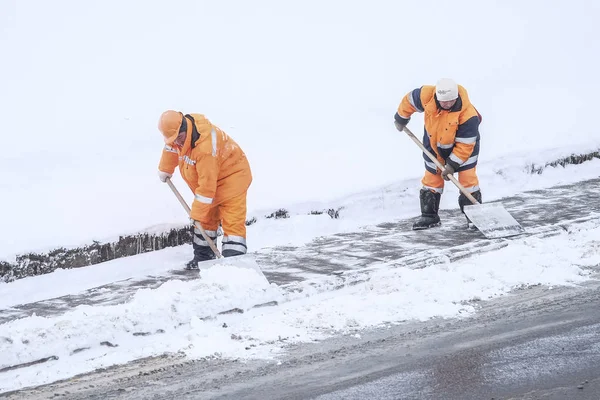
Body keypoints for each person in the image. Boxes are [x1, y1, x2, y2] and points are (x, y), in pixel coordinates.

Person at [157, 110, 252, 269]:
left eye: (179, 139)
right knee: (205, 221)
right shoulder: (179, 137)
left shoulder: (205, 148)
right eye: (174, 140)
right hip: (211, 180)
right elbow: (171, 148)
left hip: (233, 179)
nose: (177, 144)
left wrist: (196, 214)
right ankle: (204, 259)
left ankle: (234, 264)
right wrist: (165, 168)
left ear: (184, 129)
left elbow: (207, 189)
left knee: (232, 221)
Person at [394, 78, 483, 230]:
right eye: (444, 102)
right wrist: (401, 118)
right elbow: (409, 101)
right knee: (431, 178)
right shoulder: (426, 95)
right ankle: (429, 216)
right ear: (437, 96)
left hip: (465, 149)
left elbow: (465, 146)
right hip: (434, 146)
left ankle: (475, 217)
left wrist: (452, 165)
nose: (447, 104)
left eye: (451, 101)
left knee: (467, 180)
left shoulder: (468, 115)